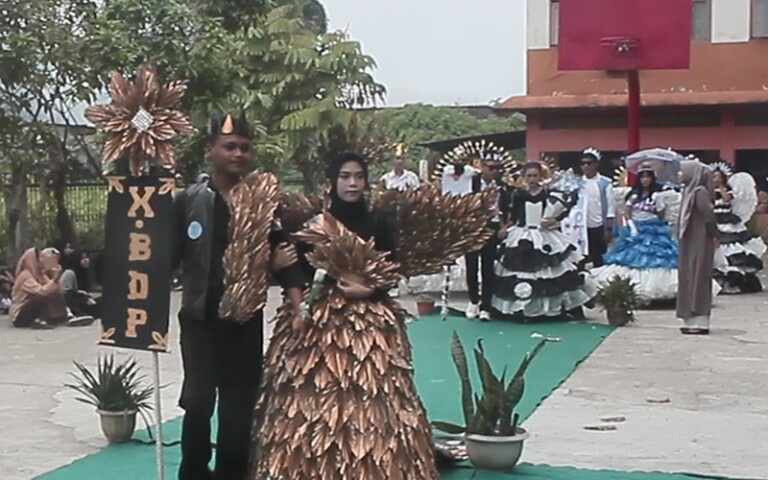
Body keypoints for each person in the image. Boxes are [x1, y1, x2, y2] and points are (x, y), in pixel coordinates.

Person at [250, 152, 437, 480]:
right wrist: (290, 289)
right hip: (318, 322)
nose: (352, 183)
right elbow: (296, 272)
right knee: (310, 396)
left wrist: (369, 291)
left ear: (366, 182)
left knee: (373, 401)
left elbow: (391, 272)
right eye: (346, 176)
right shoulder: (314, 225)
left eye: (359, 177)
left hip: (370, 323)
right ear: (332, 182)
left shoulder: (376, 222)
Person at [172, 113, 306, 480]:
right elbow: (164, 257)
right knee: (198, 403)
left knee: (238, 409)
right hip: (199, 319)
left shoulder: (264, 201)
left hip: (244, 323)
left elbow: (287, 257)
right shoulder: (188, 201)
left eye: (245, 148)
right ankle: (194, 473)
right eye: (229, 146)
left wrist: (298, 307)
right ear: (210, 149)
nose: (238, 154)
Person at [493, 162, 596, 319]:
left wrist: (553, 220)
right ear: (524, 177)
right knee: (523, 272)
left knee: (552, 272)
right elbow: (512, 217)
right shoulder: (518, 195)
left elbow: (561, 213)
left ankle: (555, 308)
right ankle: (523, 308)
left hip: (545, 235)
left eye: (535, 175)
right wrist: (504, 228)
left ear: (540, 176)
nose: (532, 179)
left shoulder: (548, 193)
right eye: (529, 176)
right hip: (523, 234)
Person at [591, 164, 680, 301]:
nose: (645, 180)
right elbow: (627, 214)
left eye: (648, 177)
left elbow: (662, 216)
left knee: (656, 258)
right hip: (635, 229)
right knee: (630, 258)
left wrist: (659, 204)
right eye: (643, 177)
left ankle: (657, 289)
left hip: (653, 230)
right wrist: (632, 228)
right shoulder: (633, 195)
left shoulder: (657, 195)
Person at [464, 152, 510, 321]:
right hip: (473, 226)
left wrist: (503, 226)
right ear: (482, 167)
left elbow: (506, 208)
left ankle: (486, 306)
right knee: (471, 265)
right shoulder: (471, 183)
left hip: (492, 227)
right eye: (491, 168)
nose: (494, 172)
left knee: (488, 267)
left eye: (497, 168)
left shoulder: (502, 187)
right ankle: (473, 300)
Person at [677, 159, 719, 335]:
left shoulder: (699, 192)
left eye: (682, 171)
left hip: (699, 238)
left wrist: (714, 234)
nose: (679, 174)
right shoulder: (688, 191)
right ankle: (690, 319)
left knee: (698, 275)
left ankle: (700, 321)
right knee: (688, 276)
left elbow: (708, 215)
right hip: (689, 239)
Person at [710, 162, 766, 293]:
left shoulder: (727, 190)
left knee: (730, 245)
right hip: (715, 219)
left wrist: (721, 187)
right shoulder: (708, 191)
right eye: (714, 177)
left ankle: (735, 276)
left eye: (718, 177)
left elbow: (728, 199)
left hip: (727, 220)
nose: (716, 179)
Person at [570, 148, 614, 267]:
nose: (585, 166)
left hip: (598, 225)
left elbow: (610, 207)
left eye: (589, 163)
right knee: (579, 257)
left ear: (596, 164)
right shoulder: (576, 183)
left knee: (598, 257)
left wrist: (608, 229)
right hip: (580, 226)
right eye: (582, 163)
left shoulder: (605, 183)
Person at [10, 248, 67, 329]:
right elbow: (42, 291)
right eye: (40, 257)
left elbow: (55, 290)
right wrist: (54, 280)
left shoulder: (40, 274)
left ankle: (64, 316)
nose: (42, 260)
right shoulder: (25, 276)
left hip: (32, 311)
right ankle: (39, 320)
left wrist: (55, 276)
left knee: (58, 296)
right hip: (20, 315)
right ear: (32, 260)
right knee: (40, 298)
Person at [61, 250, 100, 320]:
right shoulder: (69, 273)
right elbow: (64, 292)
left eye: (87, 258)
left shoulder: (85, 273)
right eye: (82, 259)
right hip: (71, 302)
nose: (86, 260)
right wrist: (79, 292)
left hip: (82, 300)